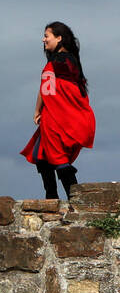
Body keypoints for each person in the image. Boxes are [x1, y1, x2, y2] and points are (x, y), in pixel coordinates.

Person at [21, 22, 95, 200]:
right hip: (63, 116)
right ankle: (52, 197)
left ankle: (74, 200)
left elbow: (47, 89)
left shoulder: (57, 62)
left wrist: (37, 111)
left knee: (57, 158)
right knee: (42, 155)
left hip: (56, 116)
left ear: (59, 38)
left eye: (47, 36)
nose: (43, 39)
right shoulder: (71, 61)